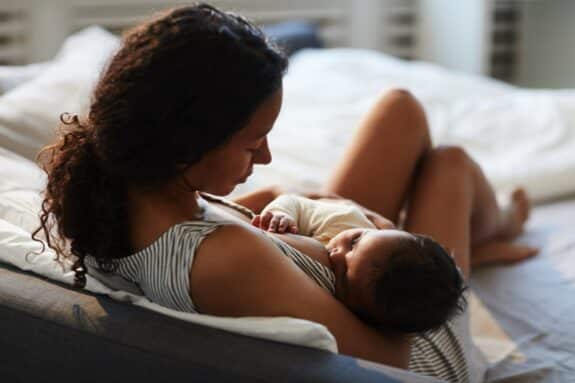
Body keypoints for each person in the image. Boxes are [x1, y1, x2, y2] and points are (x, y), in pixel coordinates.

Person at [32, 4, 537, 383]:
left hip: (337, 265)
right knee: (449, 164)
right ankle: (489, 233)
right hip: (417, 323)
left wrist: (293, 209)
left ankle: (485, 235)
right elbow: (388, 362)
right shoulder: (227, 260)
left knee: (400, 110)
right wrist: (386, 235)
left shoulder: (125, 192)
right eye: (253, 143)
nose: (267, 156)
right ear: (189, 144)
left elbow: (226, 219)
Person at [252, 193, 467, 334]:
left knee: (450, 158)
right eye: (354, 241)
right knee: (450, 157)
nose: (336, 254)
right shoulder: (347, 221)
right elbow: (296, 202)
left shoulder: (357, 314)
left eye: (343, 275)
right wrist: (283, 214)